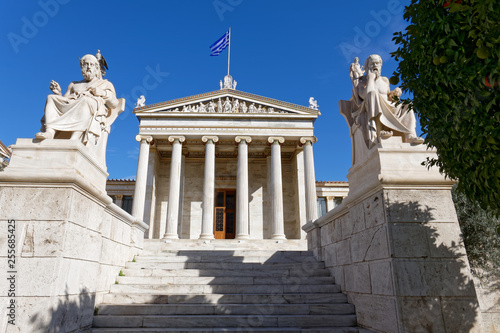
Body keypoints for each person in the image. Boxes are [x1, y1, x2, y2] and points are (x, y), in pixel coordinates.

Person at [36, 54, 120, 147]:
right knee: (51, 98)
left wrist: (102, 93)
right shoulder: (74, 84)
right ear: (82, 67)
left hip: (89, 106)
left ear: (96, 68)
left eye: (91, 65)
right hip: (75, 104)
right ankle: (50, 132)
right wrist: (58, 93)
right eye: (86, 64)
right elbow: (65, 102)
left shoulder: (105, 84)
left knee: (85, 100)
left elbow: (115, 104)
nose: (88, 67)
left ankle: (74, 138)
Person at [351, 54, 424, 147]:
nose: (375, 66)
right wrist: (371, 78)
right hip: (371, 107)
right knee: (373, 95)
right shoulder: (362, 82)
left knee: (407, 105)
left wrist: (395, 93)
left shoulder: (385, 80)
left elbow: (389, 97)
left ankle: (410, 135)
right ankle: (379, 131)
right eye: (372, 63)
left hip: (388, 107)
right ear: (367, 67)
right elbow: (366, 95)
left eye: (377, 63)